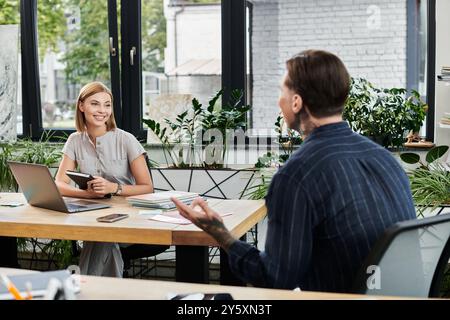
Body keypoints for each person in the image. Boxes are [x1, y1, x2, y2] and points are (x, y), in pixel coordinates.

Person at [172, 50, 416, 293]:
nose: (279, 100)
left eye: (282, 92)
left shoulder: (297, 175)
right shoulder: (385, 159)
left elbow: (275, 279)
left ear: (296, 102)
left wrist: (220, 233)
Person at [55, 81, 153, 277]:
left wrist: (113, 188)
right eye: (95, 104)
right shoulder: (75, 140)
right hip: (93, 214)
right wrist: (87, 194)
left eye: (107, 105)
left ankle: (88, 290)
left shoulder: (126, 139)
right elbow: (58, 184)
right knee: (99, 232)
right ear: (81, 106)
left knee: (101, 235)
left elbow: (147, 188)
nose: (102, 110)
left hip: (128, 218)